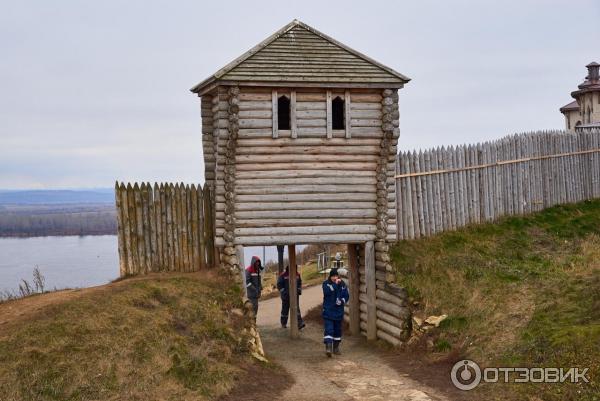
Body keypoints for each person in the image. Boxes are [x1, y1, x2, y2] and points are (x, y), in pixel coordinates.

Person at [322, 267, 349, 357]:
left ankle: (336, 348)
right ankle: (328, 348)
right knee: (329, 330)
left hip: (338, 312)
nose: (334, 277)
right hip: (328, 312)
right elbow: (327, 292)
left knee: (337, 331)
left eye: (336, 276)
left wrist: (342, 301)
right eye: (333, 276)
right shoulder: (326, 284)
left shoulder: (342, 284)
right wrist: (335, 285)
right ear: (330, 277)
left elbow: (346, 295)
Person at [277, 265, 306, 330]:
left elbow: (299, 283)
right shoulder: (283, 275)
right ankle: (283, 323)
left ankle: (299, 323)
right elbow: (279, 285)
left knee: (296, 309)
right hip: (286, 296)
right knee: (285, 310)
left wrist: (299, 290)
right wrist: (284, 292)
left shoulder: (297, 274)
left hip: (295, 296)